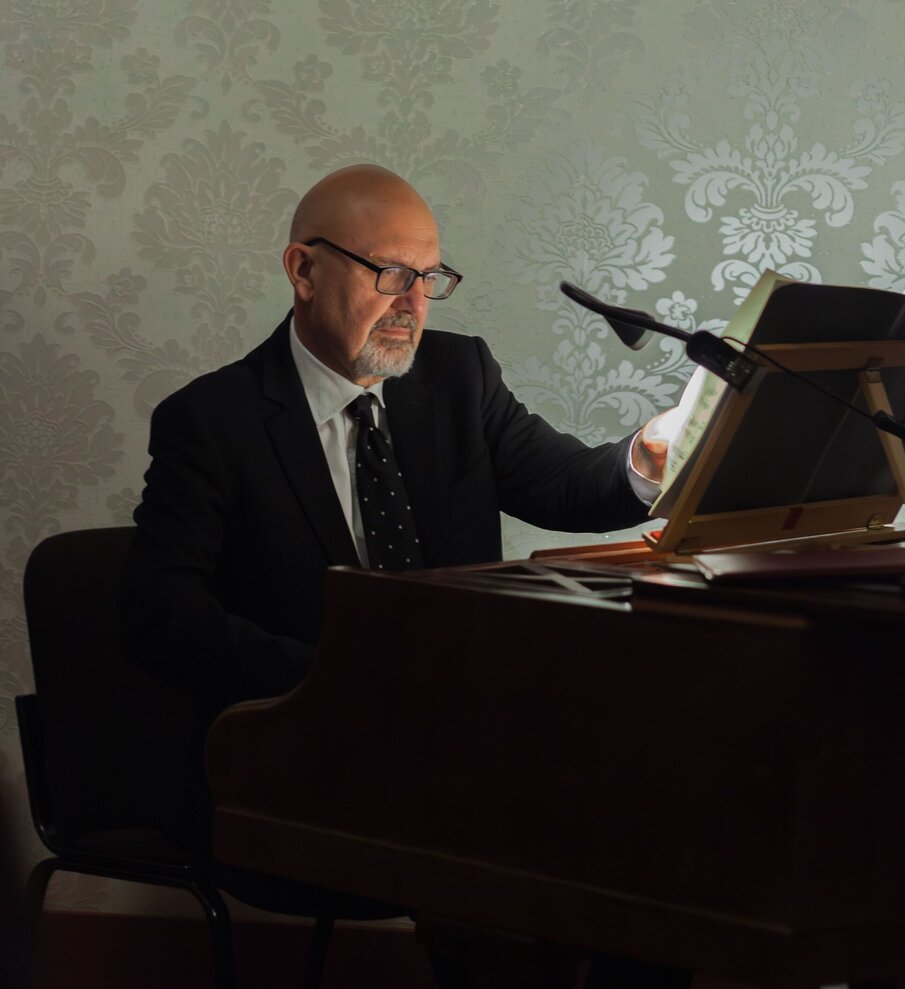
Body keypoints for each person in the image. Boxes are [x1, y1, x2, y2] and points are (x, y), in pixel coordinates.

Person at [121, 164, 686, 988]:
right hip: (306, 756)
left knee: (655, 822)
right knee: (522, 847)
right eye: (390, 273)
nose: (414, 302)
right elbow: (159, 614)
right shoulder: (212, 422)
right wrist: (337, 682)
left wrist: (648, 453)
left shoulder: (460, 377)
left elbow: (564, 483)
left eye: (430, 277)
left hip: (458, 740)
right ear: (303, 270)